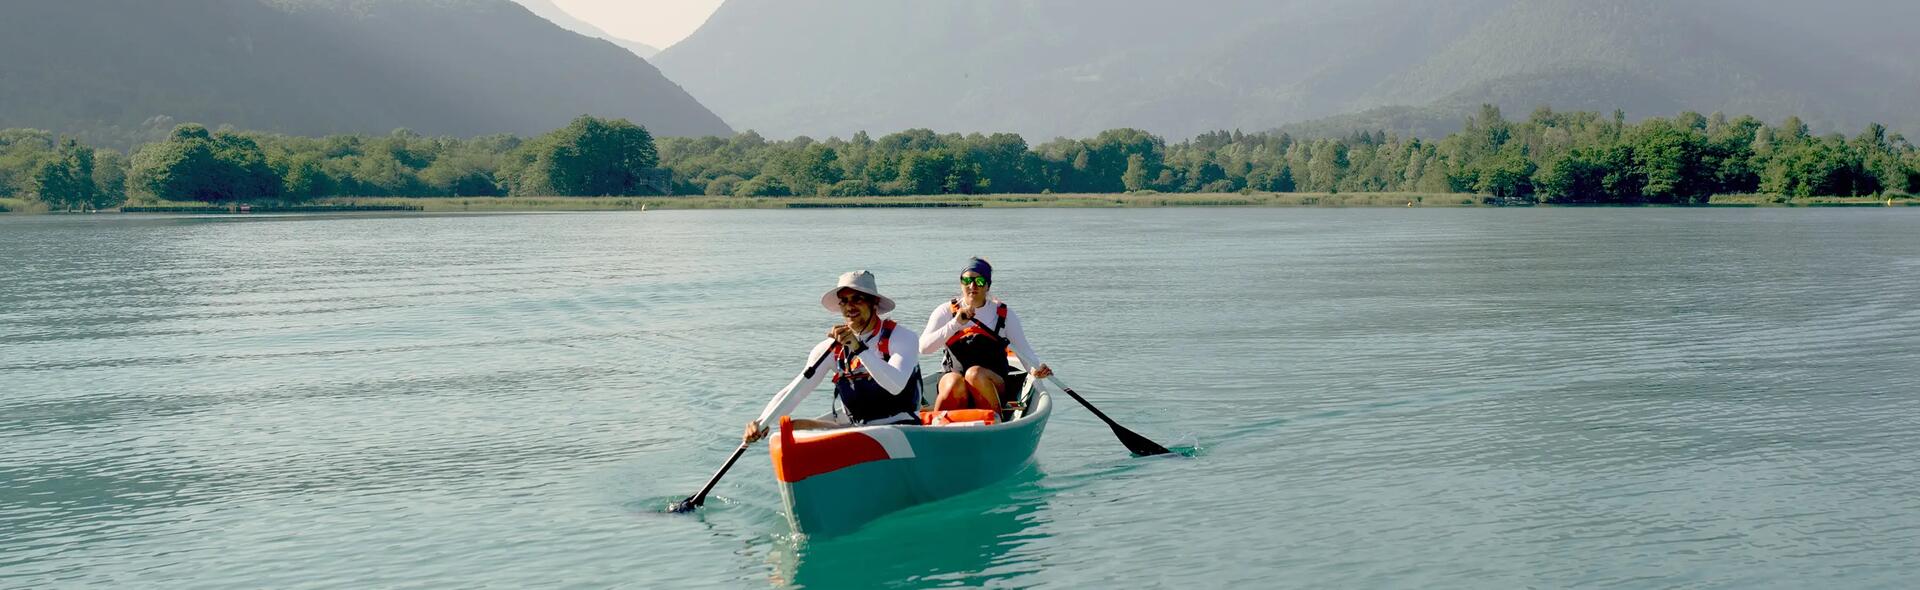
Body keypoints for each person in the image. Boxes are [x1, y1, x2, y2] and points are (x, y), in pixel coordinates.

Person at [745, 270, 922, 444]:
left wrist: (859, 348)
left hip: (904, 429)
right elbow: (796, 391)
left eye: (857, 299)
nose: (849, 307)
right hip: (859, 432)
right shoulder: (830, 349)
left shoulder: (902, 337)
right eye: (844, 301)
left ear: (874, 303)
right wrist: (762, 422)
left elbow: (895, 386)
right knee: (791, 427)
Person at [919, 257, 1051, 412]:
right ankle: (937, 425)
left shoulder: (1003, 314)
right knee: (954, 381)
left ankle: (995, 420)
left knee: (974, 374)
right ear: (961, 284)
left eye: (979, 281)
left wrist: (1035, 370)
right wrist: (955, 324)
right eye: (967, 280)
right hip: (955, 381)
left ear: (987, 285)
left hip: (992, 384)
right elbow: (924, 348)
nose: (972, 286)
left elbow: (1024, 350)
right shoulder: (945, 312)